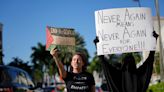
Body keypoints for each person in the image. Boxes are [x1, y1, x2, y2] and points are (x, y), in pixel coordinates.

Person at [93, 31, 159, 92]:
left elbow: (105, 65)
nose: (128, 66)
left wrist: (98, 47)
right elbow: (149, 63)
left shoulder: (117, 76)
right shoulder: (139, 75)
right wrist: (153, 42)